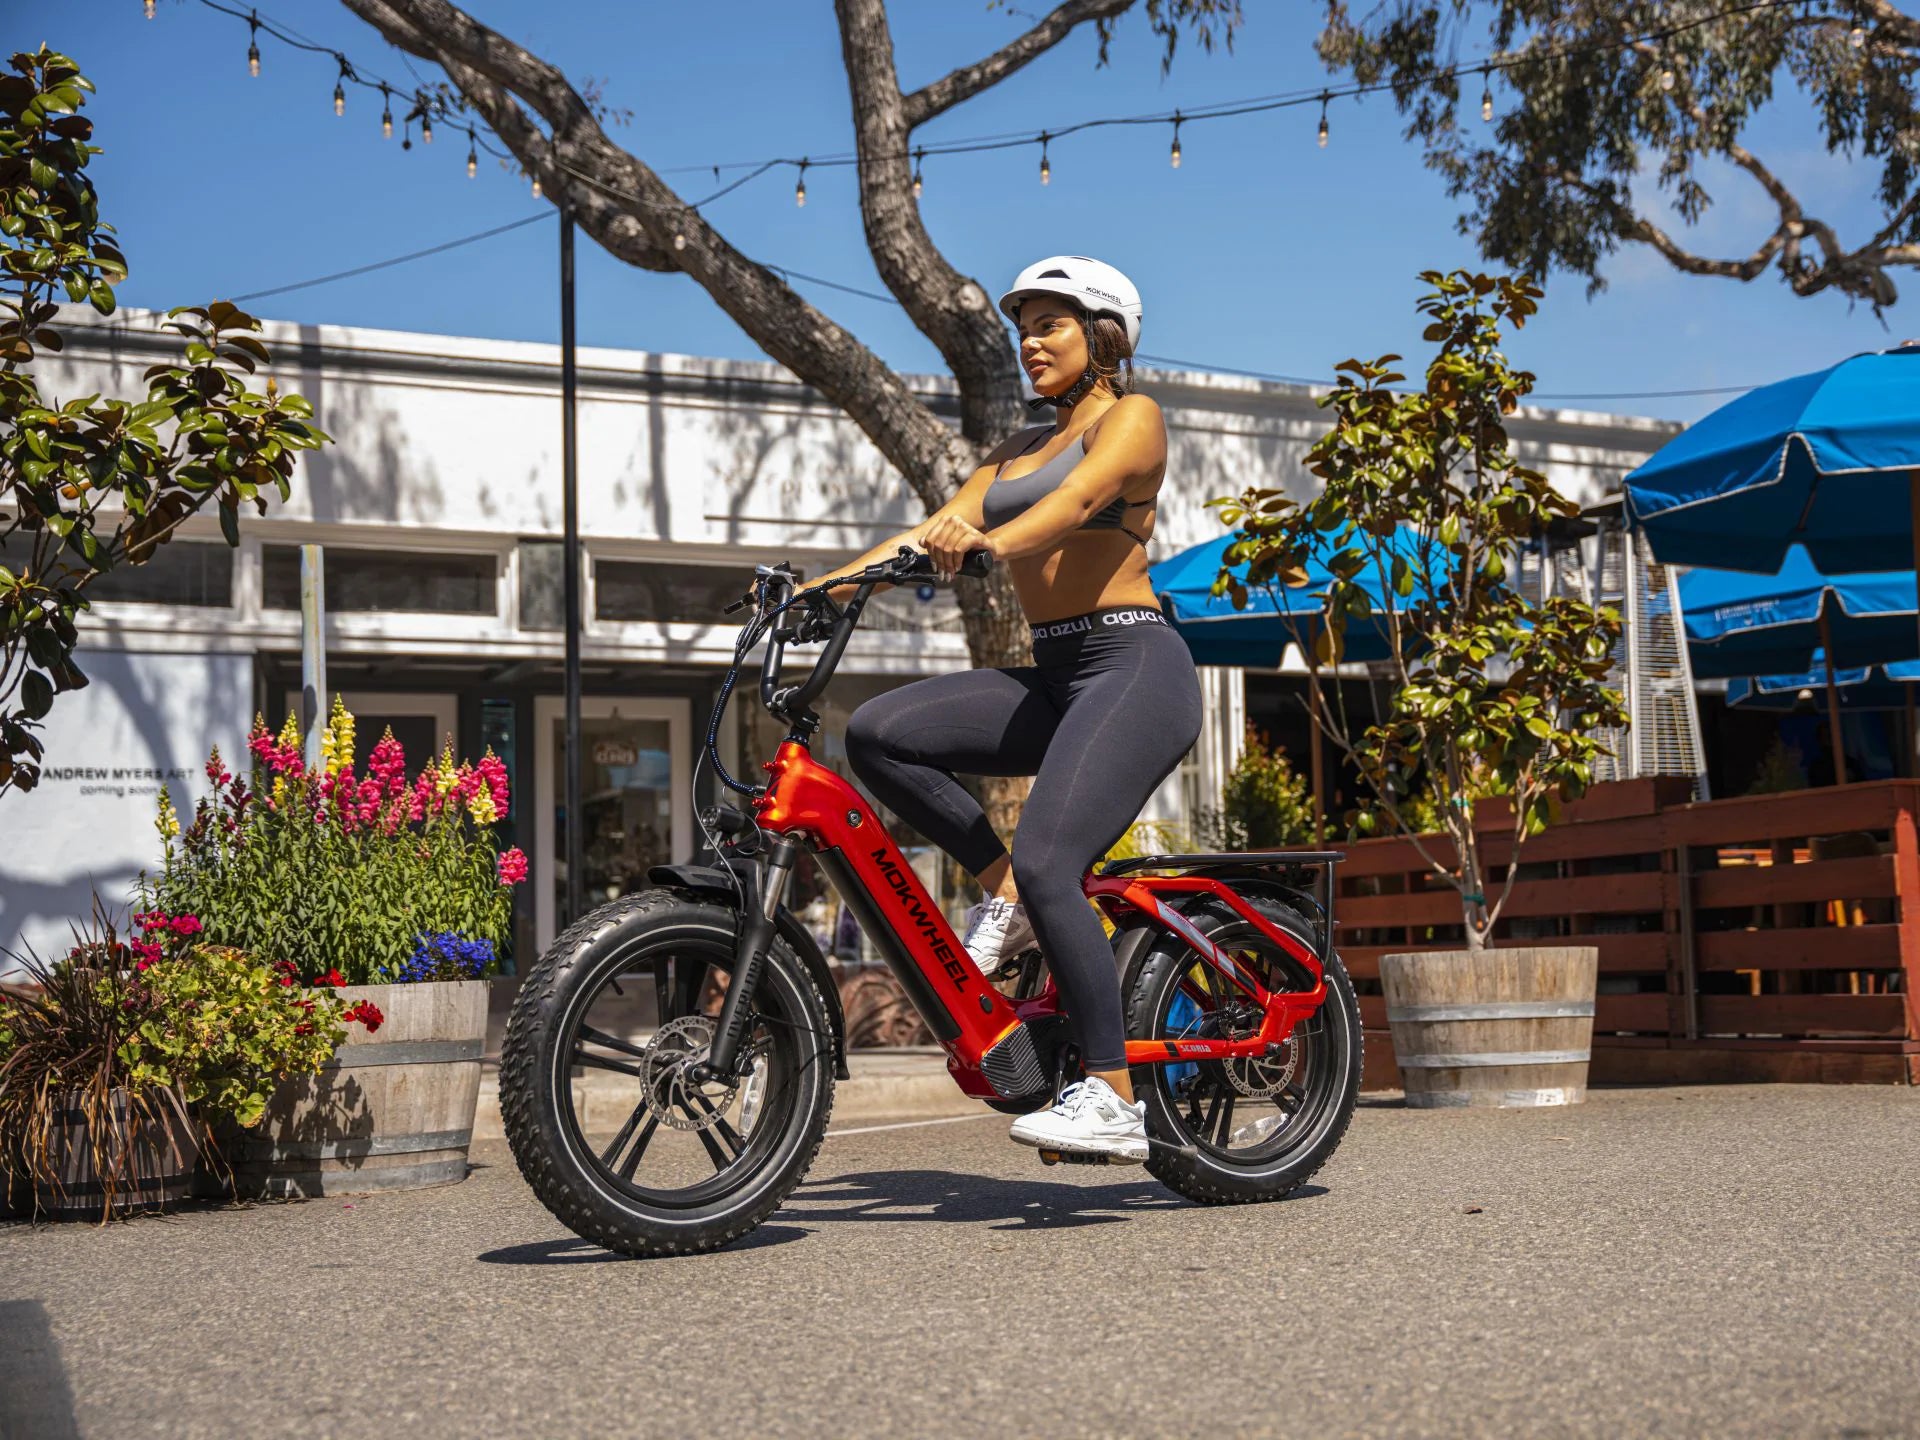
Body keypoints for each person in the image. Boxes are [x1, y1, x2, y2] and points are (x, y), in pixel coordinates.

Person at [820, 256, 1203, 1162]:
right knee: (878, 735)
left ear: (1103, 337)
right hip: (1059, 671)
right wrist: (818, 590)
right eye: (1022, 325)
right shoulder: (1008, 457)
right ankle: (1003, 893)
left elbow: (1074, 504)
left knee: (1052, 857)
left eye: (1051, 324)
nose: (1029, 341)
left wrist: (986, 544)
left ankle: (1110, 1091)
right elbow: (926, 531)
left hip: (1134, 664)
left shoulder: (1131, 421)